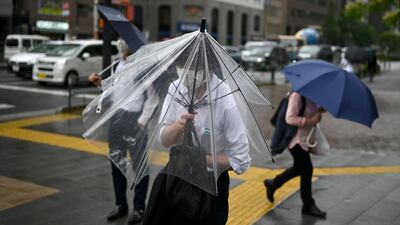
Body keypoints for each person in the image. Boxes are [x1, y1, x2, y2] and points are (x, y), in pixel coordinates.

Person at [142, 64, 250, 225]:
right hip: (176, 176)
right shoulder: (176, 88)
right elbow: (164, 140)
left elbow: (241, 161)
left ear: (210, 69)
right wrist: (179, 126)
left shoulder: (226, 100)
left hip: (211, 186)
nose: (188, 71)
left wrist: (200, 159)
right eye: (183, 65)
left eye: (195, 67)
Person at [88, 39, 159, 224]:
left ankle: (139, 208)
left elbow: (153, 98)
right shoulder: (117, 64)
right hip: (116, 119)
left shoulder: (144, 66)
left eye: (124, 41)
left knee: (140, 166)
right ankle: (121, 205)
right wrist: (99, 83)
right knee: (116, 162)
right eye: (120, 40)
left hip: (135, 121)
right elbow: (114, 91)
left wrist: (141, 123)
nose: (121, 43)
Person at [263, 92, 327, 218]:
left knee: (299, 168)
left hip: (305, 139)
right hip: (295, 140)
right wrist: (310, 120)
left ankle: (273, 183)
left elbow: (312, 111)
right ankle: (308, 205)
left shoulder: (314, 96)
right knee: (307, 170)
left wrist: (320, 110)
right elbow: (290, 118)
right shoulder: (296, 95)